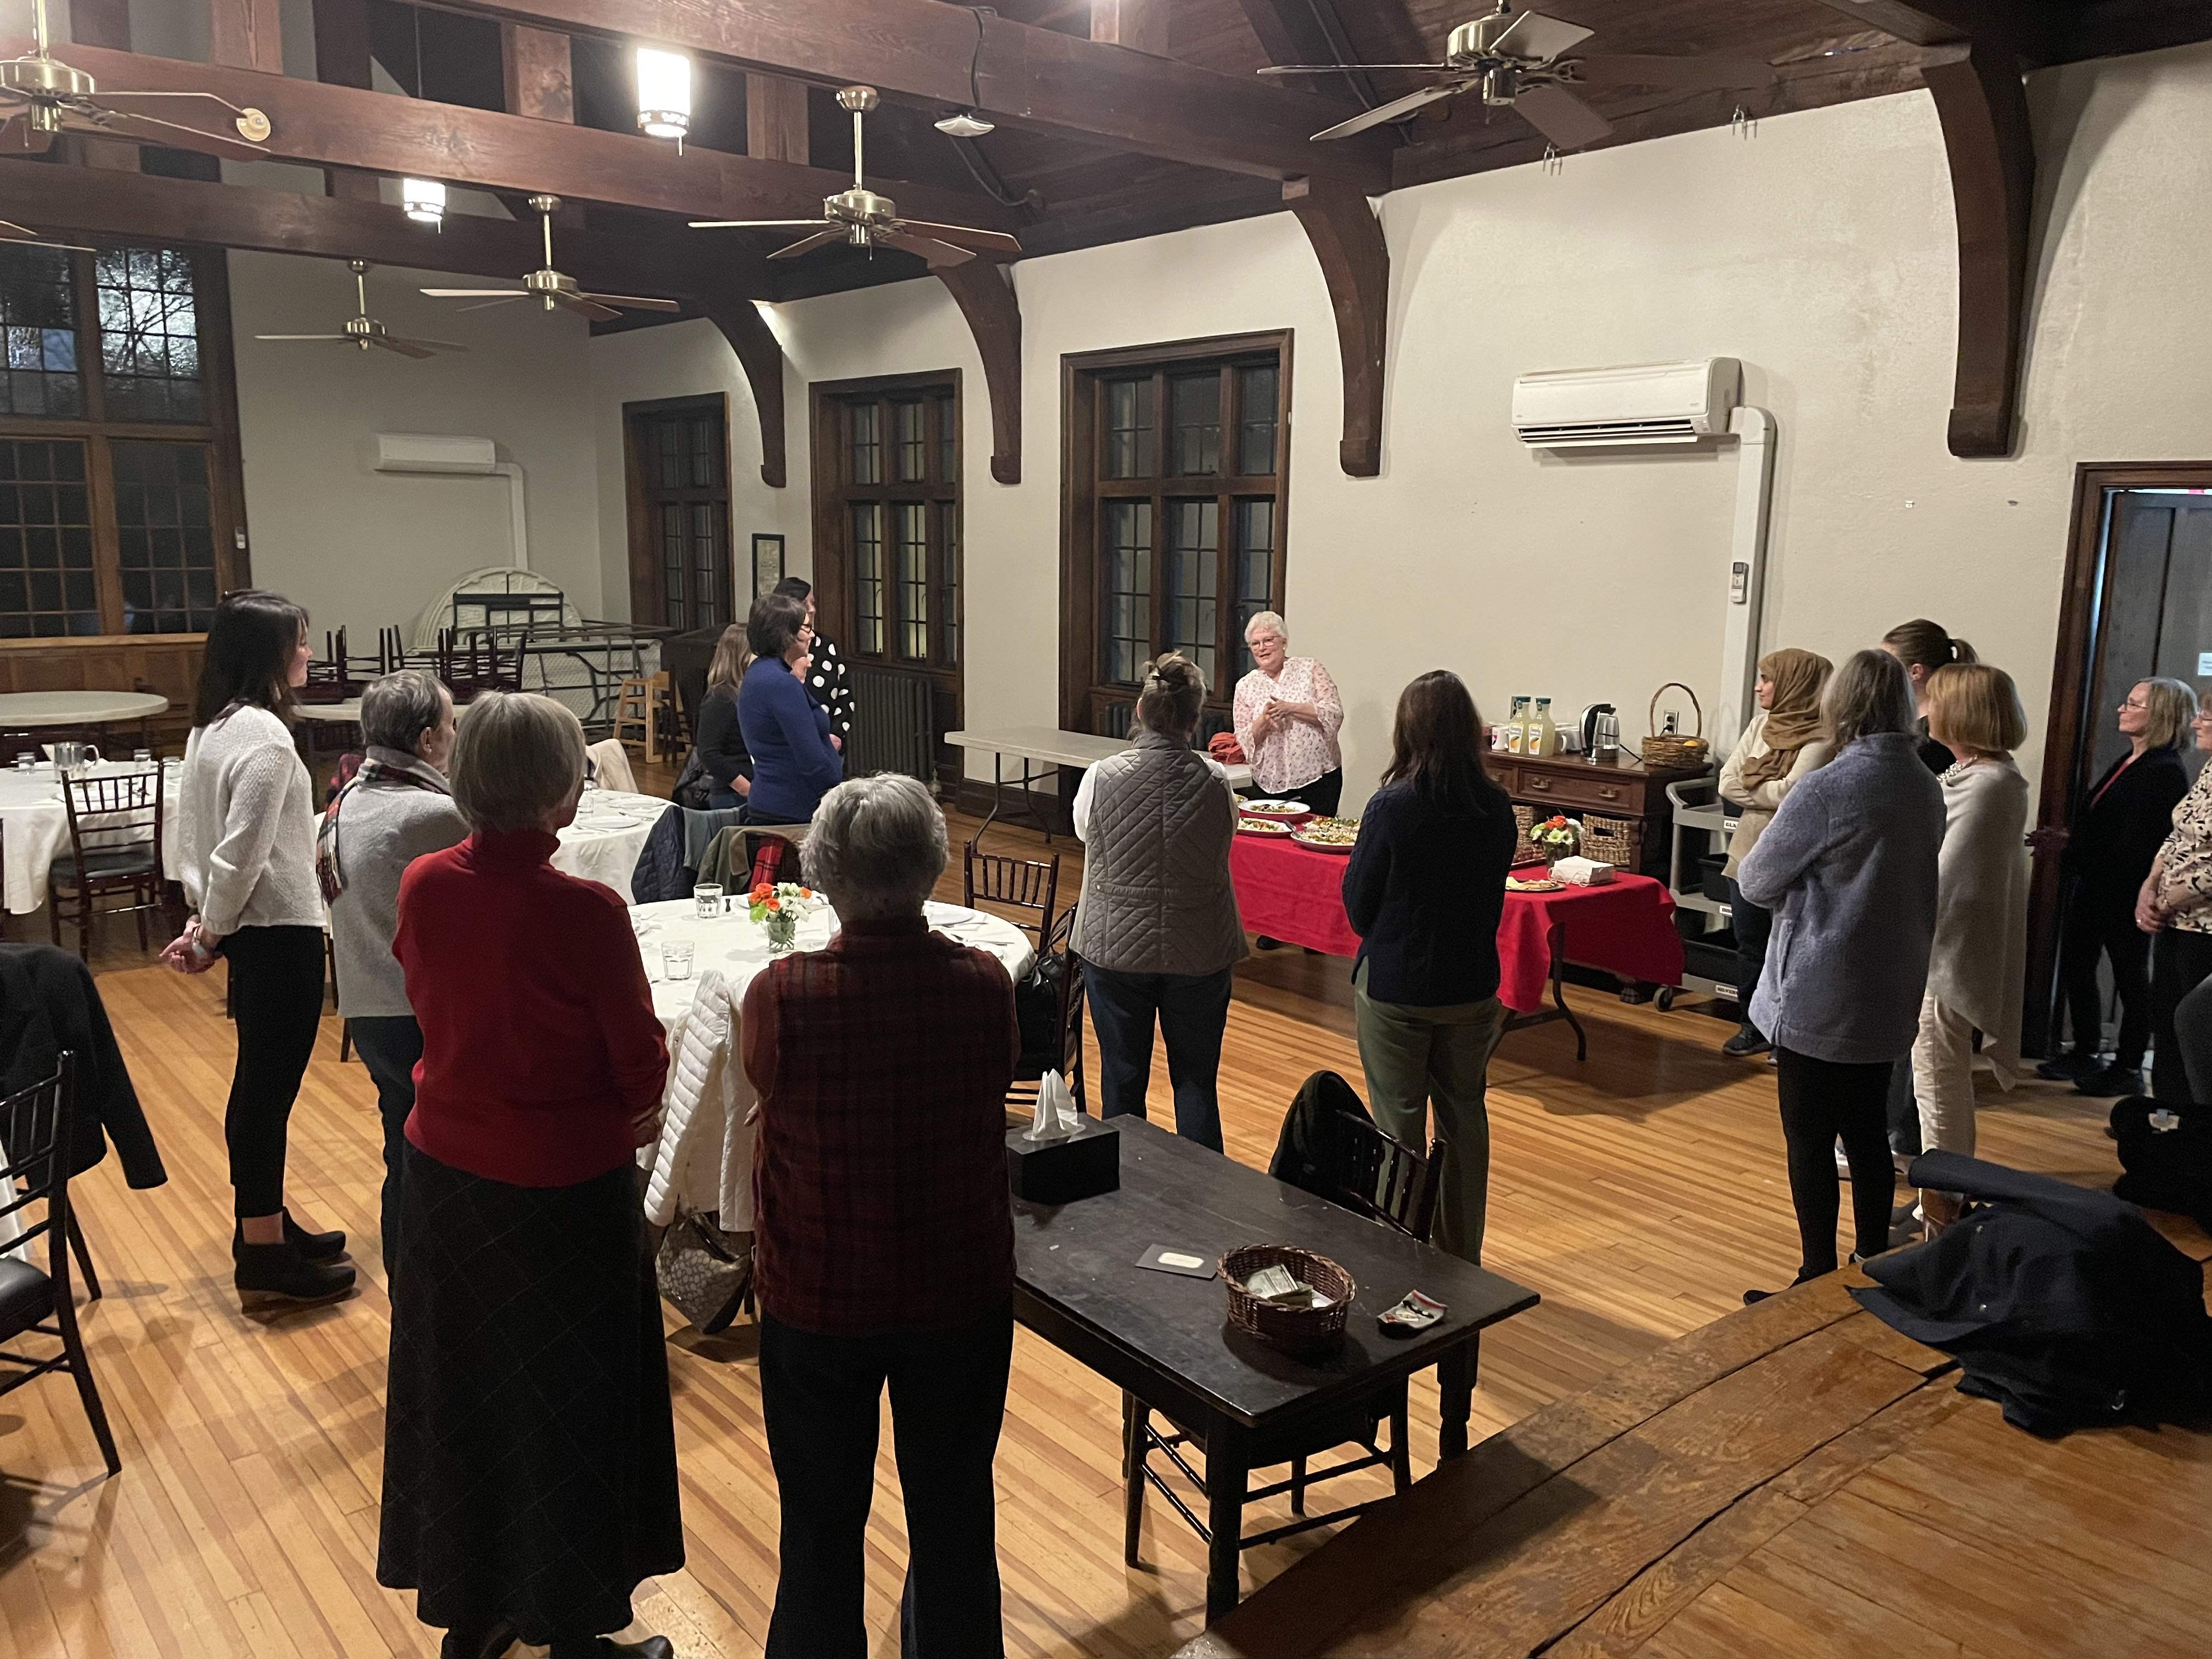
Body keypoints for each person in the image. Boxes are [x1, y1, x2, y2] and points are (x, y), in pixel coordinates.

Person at [377, 692, 679, 1659]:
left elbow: (432, 1001)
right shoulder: (585, 910)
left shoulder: (425, 883)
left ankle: (476, 1608)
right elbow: (639, 1062)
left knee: (467, 1394)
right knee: (571, 1406)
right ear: (561, 793)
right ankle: (571, 1623)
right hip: (565, 1189)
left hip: (447, 1181)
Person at [744, 775, 1020, 1659]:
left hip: (819, 1296)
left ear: (824, 875)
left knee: (819, 1526)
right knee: (955, 1513)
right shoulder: (984, 984)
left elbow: (765, 1088)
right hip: (958, 1289)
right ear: (930, 867)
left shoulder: (781, 995)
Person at [163, 590, 355, 1307]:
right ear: (269, 653)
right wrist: (209, 933)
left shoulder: (212, 727)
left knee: (257, 1089)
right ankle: (265, 1253)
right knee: (266, 1097)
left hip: (253, 928)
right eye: (298, 641)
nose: (308, 652)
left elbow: (200, 840)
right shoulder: (267, 739)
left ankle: (264, 1228)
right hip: (279, 930)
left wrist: (205, 923)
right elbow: (239, 856)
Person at [1736, 649, 1943, 1299]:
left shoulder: (1828, 786)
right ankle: (1871, 1261)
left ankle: (1815, 1276)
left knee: (1809, 1137)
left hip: (1822, 984)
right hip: (1892, 978)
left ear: (1841, 704)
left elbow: (1756, 880)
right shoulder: (1923, 782)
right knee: (1867, 1131)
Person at [1340, 670, 1519, 1263]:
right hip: (1471, 983)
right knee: (1464, 1115)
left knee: (1398, 1124)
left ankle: (1401, 1255)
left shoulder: (1392, 806)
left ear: (1407, 730)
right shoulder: (1496, 806)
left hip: (1398, 983)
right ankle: (1462, 1258)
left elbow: (1358, 907)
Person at [320, 669, 468, 1281]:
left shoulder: (345, 800)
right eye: (453, 725)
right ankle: (438, 1286)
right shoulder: (431, 814)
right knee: (443, 1158)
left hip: (364, 1004)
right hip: (416, 1011)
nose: (457, 736)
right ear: (429, 740)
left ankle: (407, 1289)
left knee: (400, 1148)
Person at [1072, 654, 1245, 1151]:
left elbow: (1086, 834)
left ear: (1140, 712)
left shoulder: (1101, 776)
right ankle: (1204, 1187)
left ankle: (1129, 1185)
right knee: (1196, 1081)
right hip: (1199, 946)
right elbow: (1225, 837)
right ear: (1195, 720)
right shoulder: (1216, 781)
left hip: (1115, 946)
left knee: (1122, 1079)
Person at [1910, 663, 2032, 1232]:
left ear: (1961, 713)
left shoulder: (1988, 785)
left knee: (1938, 1082)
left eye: (1935, 702)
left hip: (1946, 952)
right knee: (1939, 1080)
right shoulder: (1979, 773)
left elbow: (1945, 877)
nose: (1927, 712)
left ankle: (1943, 1209)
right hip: (1945, 945)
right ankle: (1944, 1197)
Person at [2034, 678, 2194, 1095]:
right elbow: (2107, 824)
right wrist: (2070, 841)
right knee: (2078, 964)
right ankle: (2086, 1048)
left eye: (2134, 704)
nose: (2123, 709)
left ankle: (2128, 1064)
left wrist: (2075, 846)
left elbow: (2139, 841)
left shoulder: (2163, 771)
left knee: (2130, 977)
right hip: (2097, 883)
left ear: (2160, 715)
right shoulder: (2132, 760)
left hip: (2125, 889)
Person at [1876, 617, 1977, 1158]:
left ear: (1915, 671)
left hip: (1924, 899)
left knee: (1916, 1027)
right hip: (1914, 891)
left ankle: (1903, 1134)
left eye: (1887, 657)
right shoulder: (1917, 735)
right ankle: (1899, 1129)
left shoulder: (1930, 746)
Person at [1713, 648, 1833, 1059]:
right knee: (1750, 944)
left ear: (1795, 684)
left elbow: (1795, 794)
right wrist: (1772, 792)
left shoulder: (1823, 737)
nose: (1758, 687)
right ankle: (1752, 1026)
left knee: (1789, 952)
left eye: (1767, 679)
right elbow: (1726, 783)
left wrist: (1758, 789)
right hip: (1748, 853)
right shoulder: (1760, 725)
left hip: (1795, 863)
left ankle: (1788, 1036)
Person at [2136, 701, 2212, 1102]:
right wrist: (2150, 885)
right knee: (2165, 1020)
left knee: (2195, 1029)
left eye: (2206, 717)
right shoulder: (2209, 769)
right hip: (2176, 918)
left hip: (2205, 926)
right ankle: (2166, 1117)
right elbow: (2178, 835)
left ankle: (2194, 1123)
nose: (2196, 722)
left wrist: (2165, 901)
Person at [739, 591, 842, 823]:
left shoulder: (760, 671)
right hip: (793, 809)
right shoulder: (781, 683)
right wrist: (840, 797)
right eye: (806, 628)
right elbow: (812, 761)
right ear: (786, 634)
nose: (812, 634)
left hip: (775, 802)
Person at [1232, 611, 1345, 816]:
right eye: (1255, 643)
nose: (1262, 648)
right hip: (1268, 782)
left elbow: (1334, 712)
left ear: (1284, 642)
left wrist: (1291, 708)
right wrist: (1264, 720)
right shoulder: (1245, 686)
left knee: (1317, 832)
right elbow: (1243, 737)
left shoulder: (1311, 669)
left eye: (1268, 640)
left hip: (1318, 778)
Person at [774, 575, 852, 753]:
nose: (812, 610)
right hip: (791, 748)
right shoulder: (776, 648)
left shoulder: (826, 645)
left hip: (831, 746)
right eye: (804, 604)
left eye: (813, 603)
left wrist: (836, 734)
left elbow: (845, 693)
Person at [691, 623, 755, 810]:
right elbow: (708, 752)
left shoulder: (750, 692)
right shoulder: (721, 697)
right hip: (733, 796)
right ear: (742, 655)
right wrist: (745, 788)